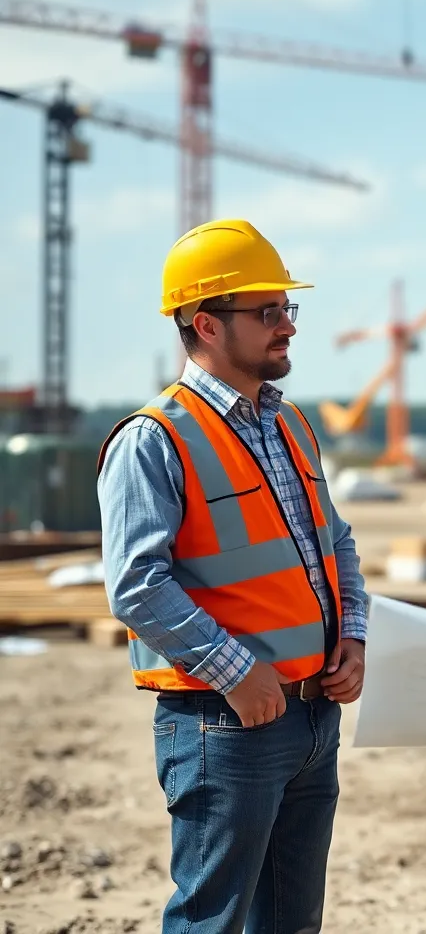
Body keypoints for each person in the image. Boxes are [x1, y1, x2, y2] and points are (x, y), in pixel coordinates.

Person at [97, 219, 369, 934]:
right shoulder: (154, 439)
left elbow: (334, 543)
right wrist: (236, 672)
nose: (288, 327)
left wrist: (354, 640)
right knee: (210, 924)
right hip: (226, 722)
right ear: (205, 324)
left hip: (313, 715)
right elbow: (135, 584)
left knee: (291, 923)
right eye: (268, 311)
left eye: (288, 309)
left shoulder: (288, 425)